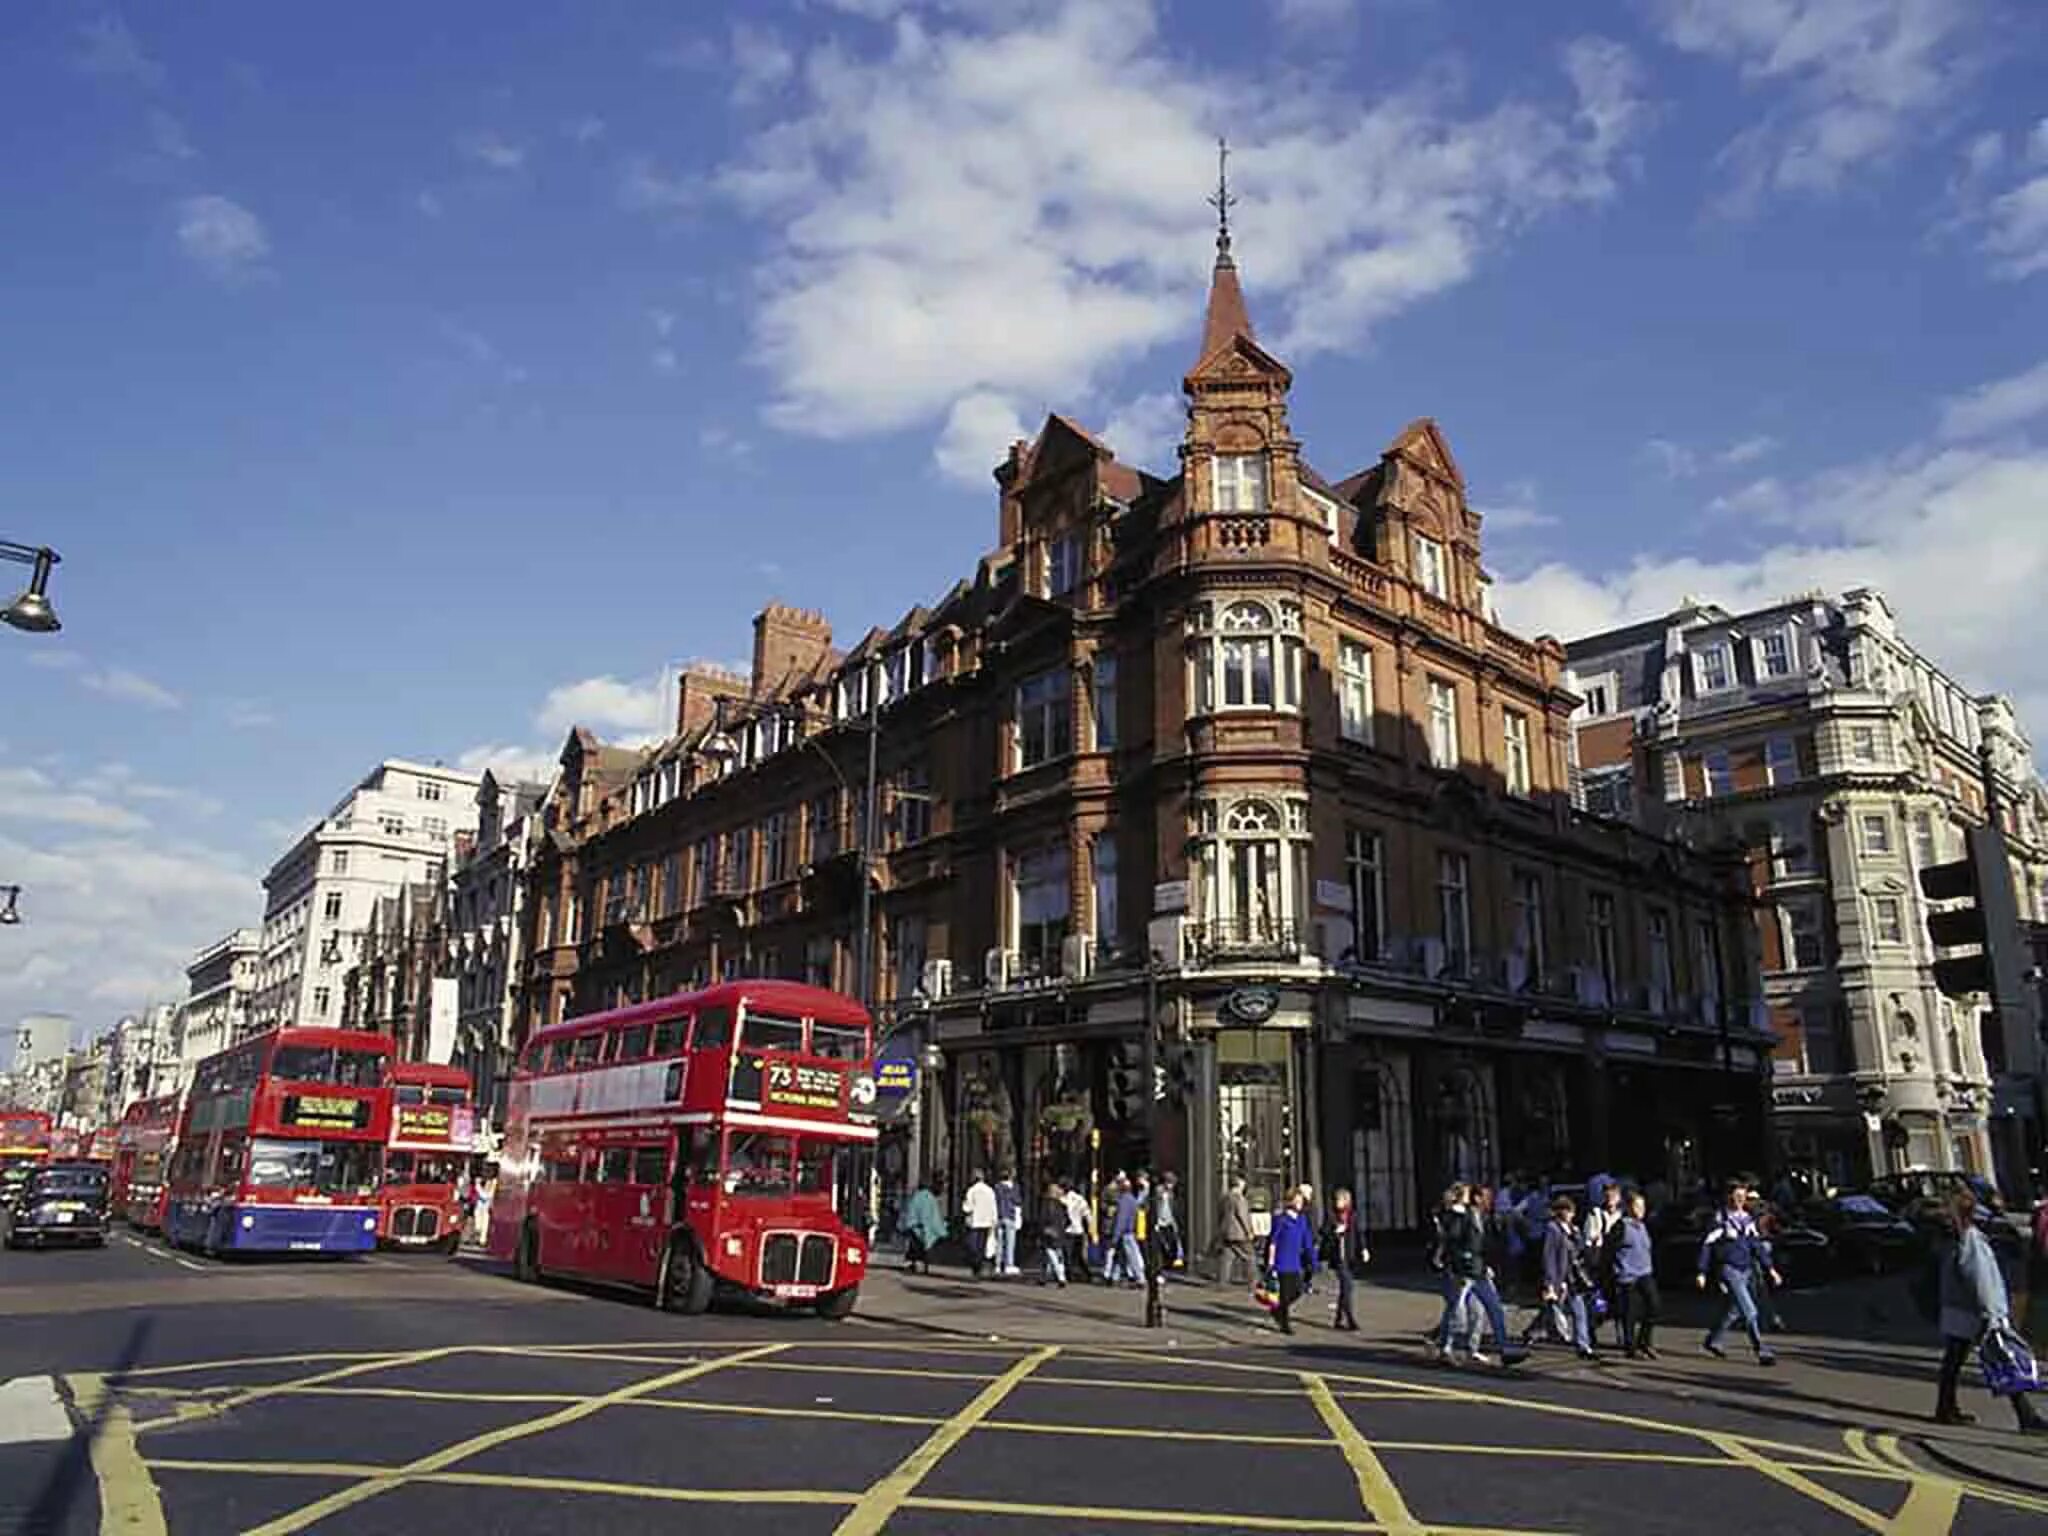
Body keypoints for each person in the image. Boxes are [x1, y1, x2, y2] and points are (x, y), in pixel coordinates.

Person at [1935, 1187, 2045, 1431]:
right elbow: (1980, 1279)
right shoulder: (1971, 1240)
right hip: (1977, 1313)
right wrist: (1992, 1313)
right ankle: (2027, 1417)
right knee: (2004, 1361)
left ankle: (1945, 1408)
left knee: (1954, 1362)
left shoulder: (1955, 1238)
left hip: (1959, 1311)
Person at [1430, 1183, 1516, 1367]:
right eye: (1486, 1197)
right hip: (1463, 1272)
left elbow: (1487, 1245)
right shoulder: (1462, 1216)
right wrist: (1459, 1264)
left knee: (1492, 1309)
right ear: (1476, 1198)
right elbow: (1453, 1241)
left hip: (1480, 1271)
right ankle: (1445, 1348)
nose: (1490, 1201)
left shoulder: (1485, 1217)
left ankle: (1503, 1349)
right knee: (1457, 1312)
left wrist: (1489, 1265)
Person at [1697, 1182, 1779, 1366]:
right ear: (1729, 1197)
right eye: (1736, 1196)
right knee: (1750, 1311)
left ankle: (1713, 1340)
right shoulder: (1721, 1219)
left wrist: (1770, 1269)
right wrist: (1702, 1271)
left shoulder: (1747, 1219)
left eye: (1743, 1196)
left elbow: (1756, 1245)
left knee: (1733, 1310)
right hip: (1729, 1269)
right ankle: (1761, 1351)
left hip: (1746, 1269)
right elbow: (1707, 1245)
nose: (1740, 1200)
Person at [1540, 1195, 1597, 1360]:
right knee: (1552, 1309)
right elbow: (1549, 1255)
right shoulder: (1553, 1229)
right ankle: (1533, 1332)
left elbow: (1579, 1251)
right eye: (1567, 1211)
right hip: (1559, 1276)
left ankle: (1583, 1346)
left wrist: (1580, 1237)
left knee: (1579, 1311)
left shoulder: (1573, 1229)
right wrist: (1550, 1281)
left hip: (1574, 1277)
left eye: (1572, 1211)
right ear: (1559, 1212)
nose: (1570, 1214)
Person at [1611, 1190, 1660, 1358]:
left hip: (1645, 1272)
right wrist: (1616, 1271)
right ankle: (1630, 1346)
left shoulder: (1643, 1226)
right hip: (1628, 1274)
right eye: (1637, 1206)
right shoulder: (1621, 1226)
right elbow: (1609, 1251)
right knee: (1630, 1312)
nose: (1641, 1209)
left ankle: (1645, 1340)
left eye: (1643, 1206)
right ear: (1629, 1207)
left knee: (1654, 1306)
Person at [1268, 1185, 1317, 1334]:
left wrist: (1312, 1260)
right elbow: (1273, 1241)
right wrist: (1270, 1263)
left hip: (1295, 1261)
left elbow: (1307, 1241)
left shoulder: (1302, 1220)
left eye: (1301, 1200)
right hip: (1281, 1261)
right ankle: (1285, 1323)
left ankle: (1278, 1310)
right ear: (1290, 1201)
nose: (1300, 1203)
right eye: (1297, 1200)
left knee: (1297, 1290)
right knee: (1285, 1292)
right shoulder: (1280, 1219)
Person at [1582, 1179, 1626, 1346]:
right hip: (1601, 1266)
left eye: (1613, 1195)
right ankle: (1591, 1329)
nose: (1610, 1199)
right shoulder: (1595, 1214)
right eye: (1607, 1195)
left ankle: (1622, 1336)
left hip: (1619, 1264)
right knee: (1601, 1303)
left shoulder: (1623, 1214)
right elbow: (1589, 1240)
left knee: (1621, 1303)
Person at [1320, 1187, 1369, 1331]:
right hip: (1337, 1256)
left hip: (1350, 1255)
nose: (1338, 1203)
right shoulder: (1331, 1216)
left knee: (1345, 1288)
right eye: (1337, 1200)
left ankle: (1339, 1319)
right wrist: (1335, 1232)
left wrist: (1364, 1249)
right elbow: (1323, 1231)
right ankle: (1350, 1319)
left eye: (1341, 1200)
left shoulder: (1352, 1215)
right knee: (1348, 1286)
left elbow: (1359, 1233)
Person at [1217, 1176, 1256, 1288]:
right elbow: (1242, 1215)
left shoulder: (1224, 1198)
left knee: (1227, 1257)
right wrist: (1249, 1231)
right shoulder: (1239, 1199)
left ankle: (1222, 1282)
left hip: (1226, 1232)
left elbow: (1220, 1214)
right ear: (1239, 1186)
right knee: (1250, 1257)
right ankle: (1252, 1282)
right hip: (1239, 1233)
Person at [900, 1178, 946, 1274]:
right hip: (921, 1227)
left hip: (913, 1226)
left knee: (913, 1247)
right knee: (921, 1248)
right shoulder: (929, 1198)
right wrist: (940, 1230)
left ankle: (912, 1264)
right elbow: (932, 1216)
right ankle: (920, 1265)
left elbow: (909, 1211)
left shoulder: (916, 1196)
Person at [1109, 1176, 1145, 1288]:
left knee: (1132, 1256)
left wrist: (1115, 1236)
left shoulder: (1124, 1201)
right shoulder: (1132, 1200)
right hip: (1129, 1231)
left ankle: (1140, 1279)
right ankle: (1114, 1277)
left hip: (1126, 1233)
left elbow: (1121, 1220)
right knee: (1121, 1256)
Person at [962, 1170, 998, 1280]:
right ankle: (980, 1266)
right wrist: (994, 1220)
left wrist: (965, 1208)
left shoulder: (972, 1190)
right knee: (982, 1246)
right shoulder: (990, 1191)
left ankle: (975, 1267)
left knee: (973, 1246)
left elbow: (967, 1207)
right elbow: (994, 1206)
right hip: (986, 1222)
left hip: (975, 1221)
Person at [1062, 1180, 1095, 1282]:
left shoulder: (1062, 1199)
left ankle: (1069, 1275)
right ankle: (1087, 1274)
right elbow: (1088, 1215)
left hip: (1068, 1230)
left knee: (1067, 1255)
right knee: (1080, 1255)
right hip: (1079, 1230)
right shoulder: (1080, 1199)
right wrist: (1091, 1228)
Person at [1040, 1181, 1070, 1287]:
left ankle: (1060, 1277)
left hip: (1049, 1233)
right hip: (1060, 1233)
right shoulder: (1062, 1205)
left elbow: (1043, 1219)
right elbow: (1068, 1220)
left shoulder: (1046, 1204)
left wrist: (1042, 1229)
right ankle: (1043, 1277)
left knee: (1051, 1255)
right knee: (1054, 1256)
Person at [994, 1170, 1023, 1278]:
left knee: (999, 1242)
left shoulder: (997, 1187)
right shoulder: (1015, 1187)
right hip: (1010, 1216)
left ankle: (997, 1264)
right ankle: (1008, 1264)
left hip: (999, 1216)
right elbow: (1017, 1202)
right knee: (1010, 1242)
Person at [1157, 1172, 1182, 1274]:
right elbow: (1157, 1207)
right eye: (1170, 1183)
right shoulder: (1159, 1191)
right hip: (1160, 1222)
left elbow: (1172, 1208)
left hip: (1169, 1221)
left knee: (1172, 1243)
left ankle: (1169, 1263)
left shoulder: (1171, 1193)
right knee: (1162, 1245)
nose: (1171, 1185)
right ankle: (1162, 1266)